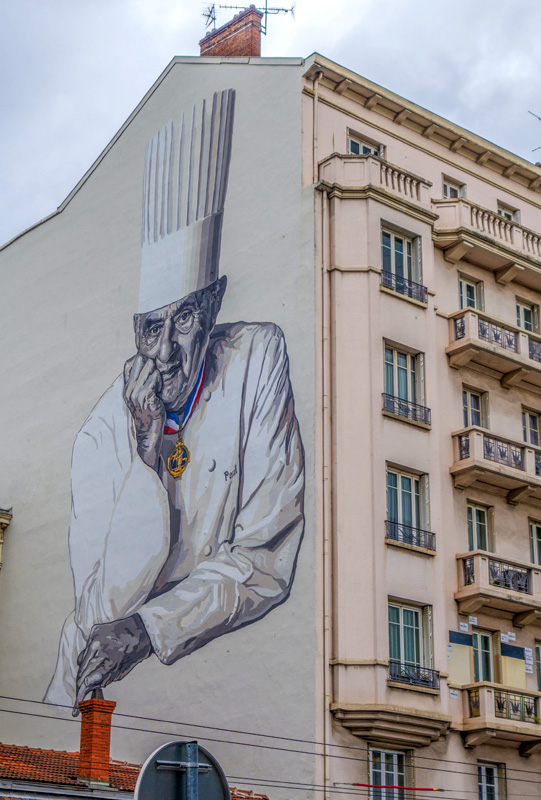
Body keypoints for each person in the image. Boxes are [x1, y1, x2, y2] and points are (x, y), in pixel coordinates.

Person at [45, 89, 305, 709]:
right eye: (149, 329)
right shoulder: (99, 434)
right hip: (82, 696)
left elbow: (265, 560)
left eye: (184, 320)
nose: (164, 353)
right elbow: (107, 607)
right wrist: (144, 454)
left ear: (213, 308)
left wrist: (153, 627)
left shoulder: (258, 356)